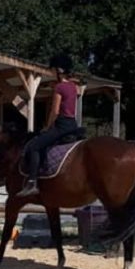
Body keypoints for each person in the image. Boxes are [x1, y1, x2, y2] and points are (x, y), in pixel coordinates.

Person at [17, 54, 80, 197]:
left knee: (34, 146)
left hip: (62, 125)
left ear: (58, 70)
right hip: (73, 124)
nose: (51, 73)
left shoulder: (59, 87)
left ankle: (32, 182)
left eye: (52, 70)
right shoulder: (73, 87)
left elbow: (55, 111)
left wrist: (47, 126)